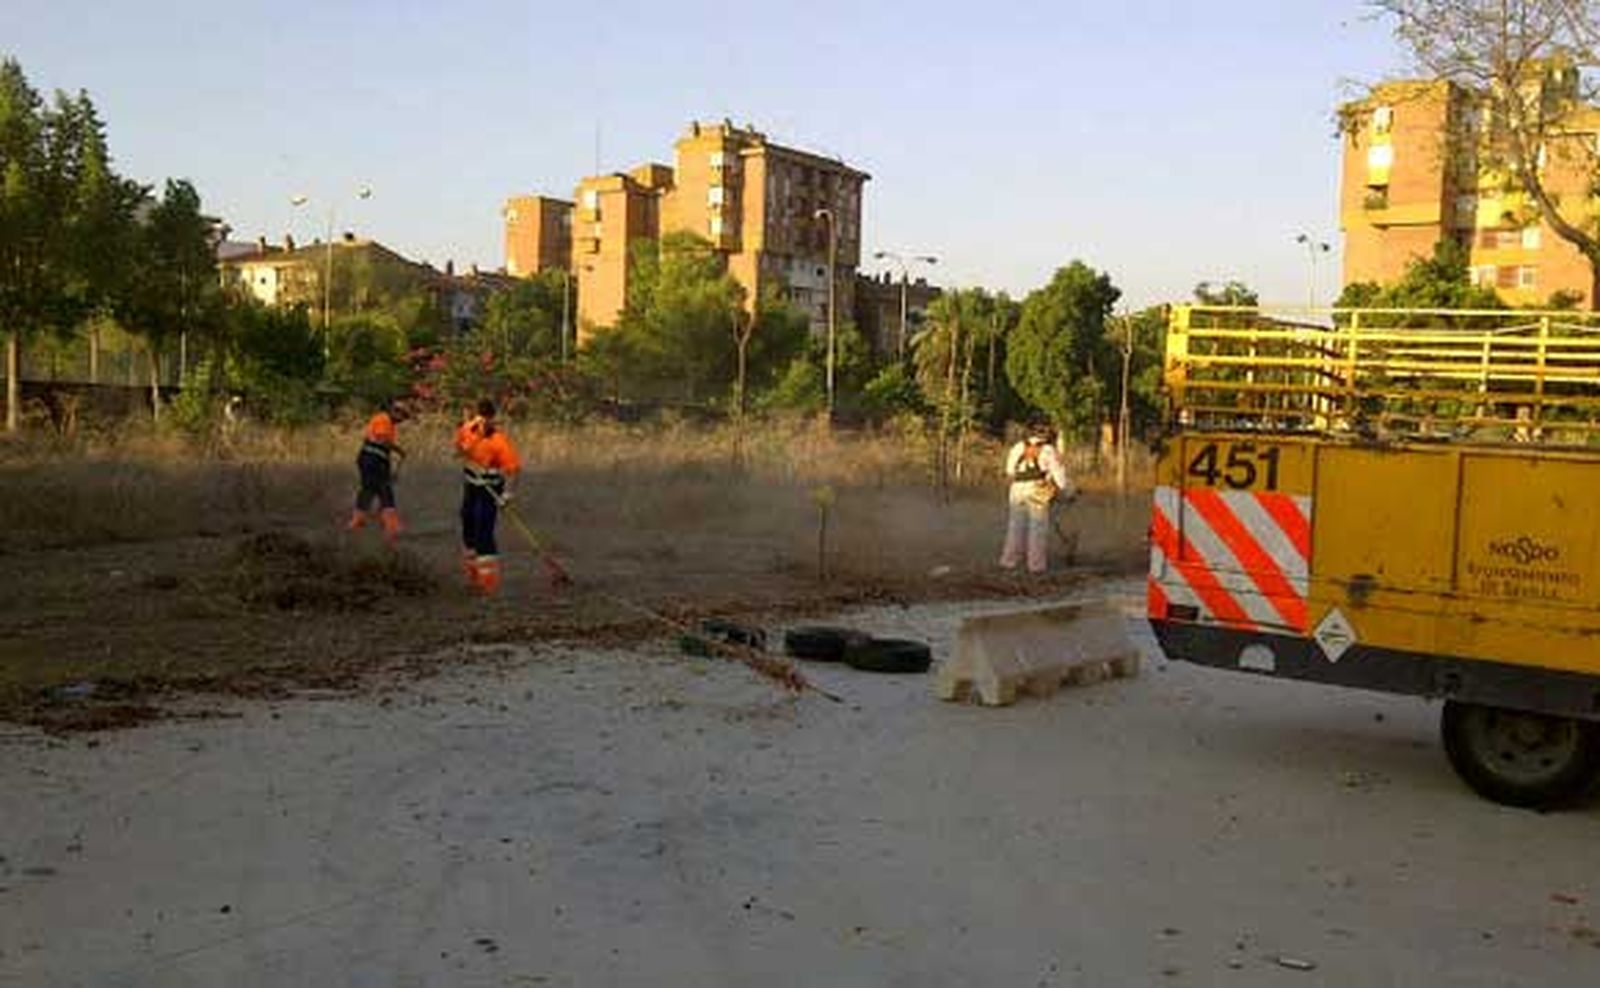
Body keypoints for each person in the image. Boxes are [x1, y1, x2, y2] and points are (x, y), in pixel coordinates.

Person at [455, 398, 522, 594]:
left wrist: (507, 495)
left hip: (490, 488)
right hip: (471, 485)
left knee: (483, 530)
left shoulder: (499, 442)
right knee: (467, 523)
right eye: (479, 419)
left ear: (492, 419)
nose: (482, 423)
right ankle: (473, 574)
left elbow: (514, 470)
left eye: (486, 420)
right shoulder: (467, 429)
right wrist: (463, 451)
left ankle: (488, 583)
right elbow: (458, 447)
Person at [999, 421, 1073, 574]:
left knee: (1015, 527)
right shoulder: (1048, 450)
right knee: (1037, 528)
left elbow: (1009, 471)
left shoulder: (1018, 447)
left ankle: (1009, 562)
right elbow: (1060, 477)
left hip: (1016, 489)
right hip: (1037, 489)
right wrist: (1068, 492)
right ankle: (1036, 567)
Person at [347, 399, 406, 544]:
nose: (402, 420)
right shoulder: (383, 419)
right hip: (372, 459)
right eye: (402, 416)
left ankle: (357, 521)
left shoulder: (388, 422)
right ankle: (391, 526)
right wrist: (398, 450)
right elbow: (381, 439)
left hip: (372, 459)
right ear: (394, 411)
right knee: (384, 489)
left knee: (369, 489)